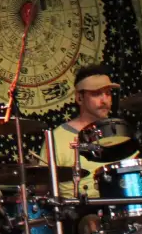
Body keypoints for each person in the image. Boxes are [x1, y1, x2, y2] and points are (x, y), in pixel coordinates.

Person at [47, 66, 121, 202]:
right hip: (78, 214)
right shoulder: (57, 137)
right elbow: (42, 183)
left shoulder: (120, 132)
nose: (104, 100)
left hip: (121, 210)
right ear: (79, 98)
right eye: (96, 94)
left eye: (108, 93)